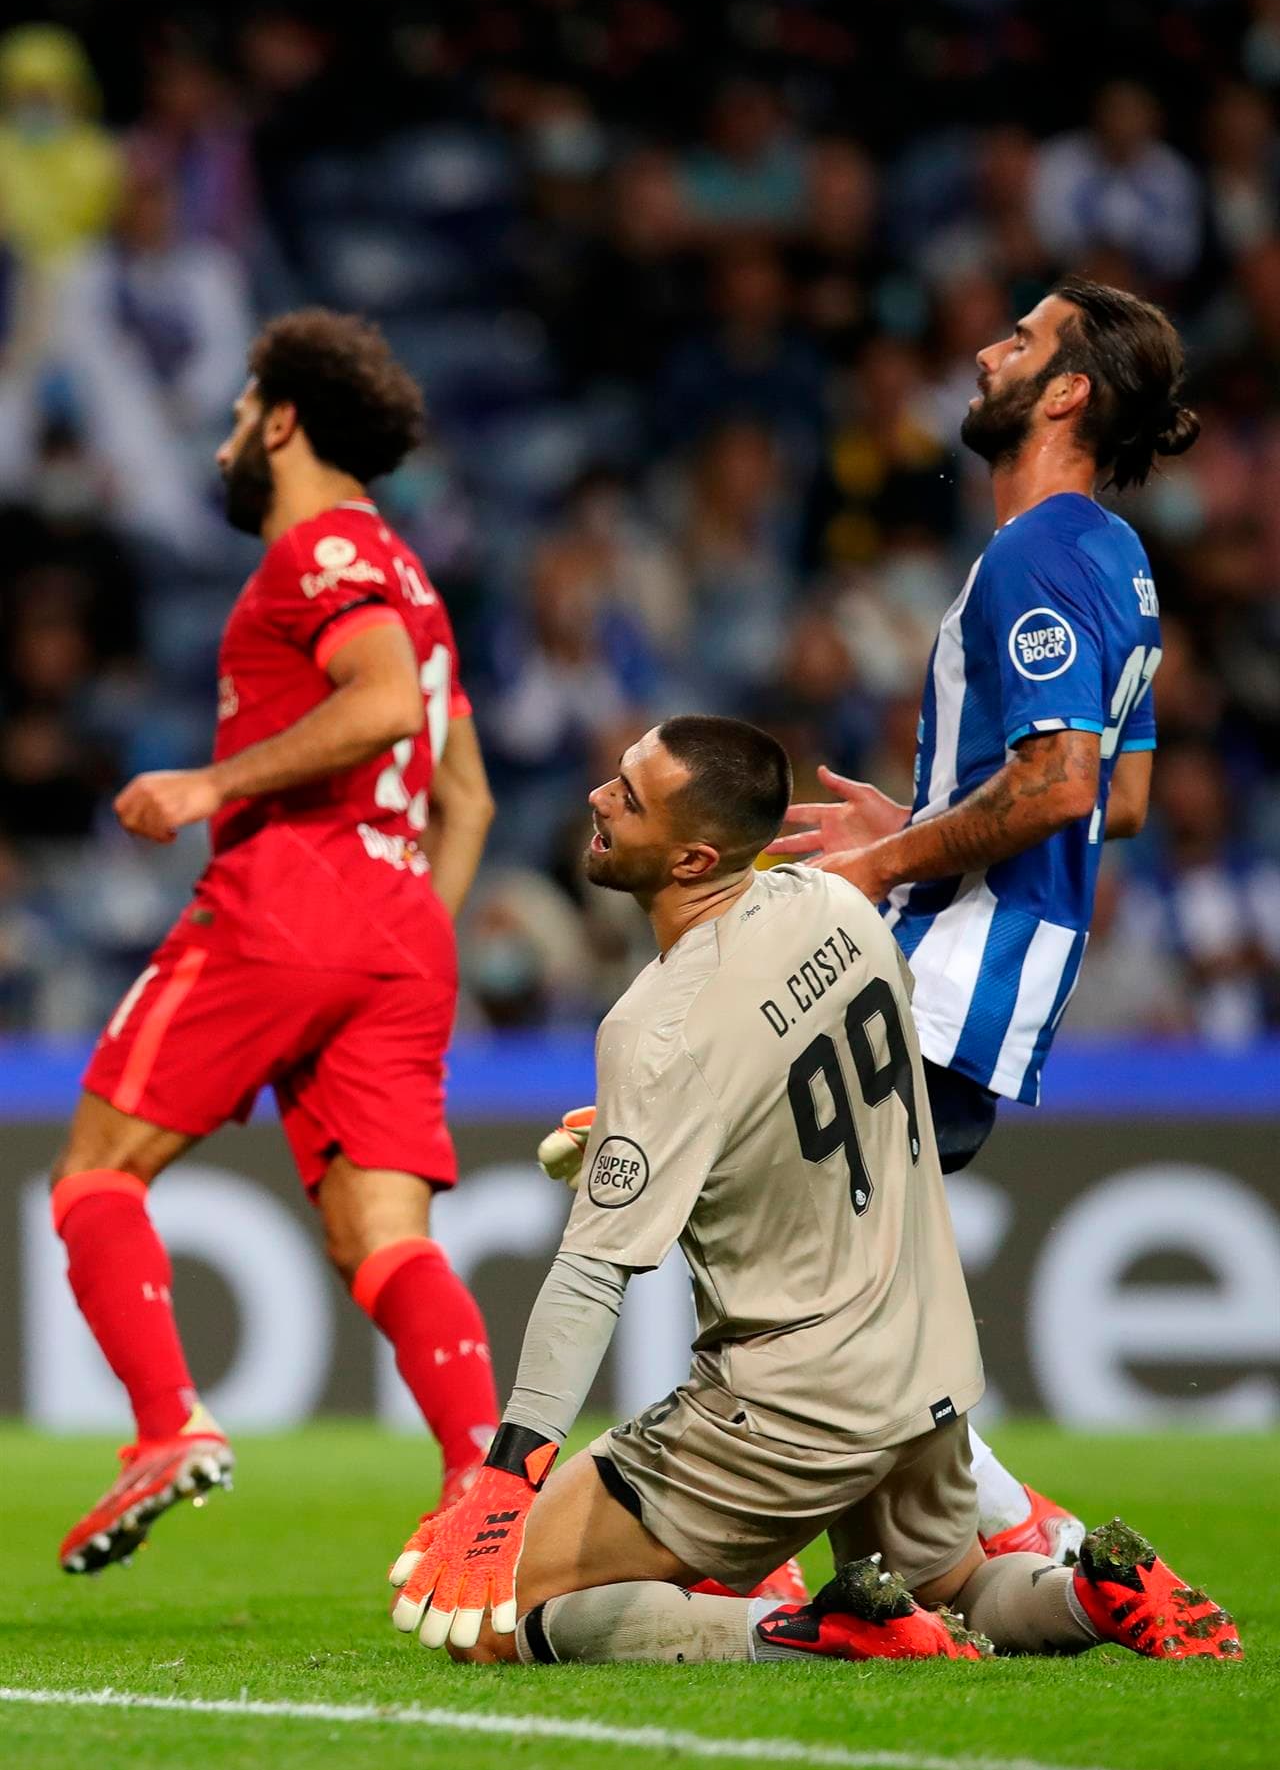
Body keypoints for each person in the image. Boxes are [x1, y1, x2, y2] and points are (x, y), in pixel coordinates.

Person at [386, 716, 1240, 1668]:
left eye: (628, 795)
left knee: (491, 1618)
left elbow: (591, 1279)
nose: (598, 795)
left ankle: (808, 1633)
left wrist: (511, 1476)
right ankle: (1094, 1593)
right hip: (924, 1359)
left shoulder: (654, 1030)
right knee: (952, 1586)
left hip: (792, 1405)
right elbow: (782, 1081)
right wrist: (632, 1128)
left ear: (693, 856)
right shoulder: (831, 908)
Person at [51, 309, 500, 1575]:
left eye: (242, 416)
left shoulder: (316, 553)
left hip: (292, 889)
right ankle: (480, 1488)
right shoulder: (414, 577)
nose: (224, 447)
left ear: (285, 419)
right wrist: (406, 927)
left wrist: (207, 785)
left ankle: (163, 1427)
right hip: (401, 917)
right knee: (381, 1238)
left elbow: (369, 702)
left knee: (95, 1172)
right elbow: (465, 796)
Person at [769, 279, 1195, 1563]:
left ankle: (1024, 1542)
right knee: (837, 1286)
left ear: (1065, 390)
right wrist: (923, 817)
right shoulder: (1116, 560)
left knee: (795, 1269)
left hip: (947, 976)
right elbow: (1120, 798)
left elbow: (1063, 785)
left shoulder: (1035, 553)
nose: (983, 348)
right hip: (993, 977)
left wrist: (888, 856)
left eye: (1018, 339)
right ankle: (977, 1558)